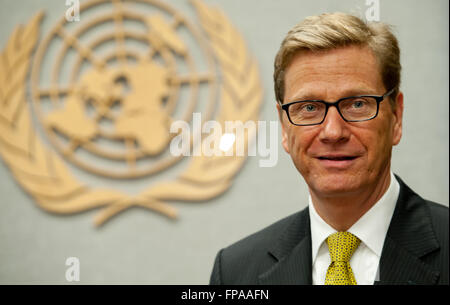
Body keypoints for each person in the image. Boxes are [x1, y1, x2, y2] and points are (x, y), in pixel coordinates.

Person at [209, 12, 448, 285]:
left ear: (396, 116)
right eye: (309, 108)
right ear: (285, 127)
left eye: (357, 104)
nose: (333, 132)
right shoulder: (235, 273)